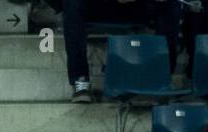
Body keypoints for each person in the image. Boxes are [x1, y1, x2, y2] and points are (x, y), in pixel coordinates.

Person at [48, 0, 181, 103]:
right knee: (72, 3)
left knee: (171, 5)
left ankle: (163, 78)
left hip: (137, 6)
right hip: (101, 6)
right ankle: (80, 80)